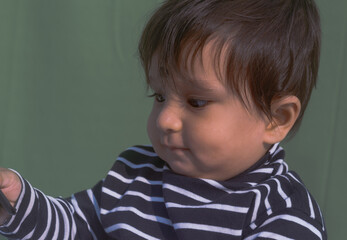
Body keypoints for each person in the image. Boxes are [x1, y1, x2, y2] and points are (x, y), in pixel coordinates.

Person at [0, 0, 327, 239]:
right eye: (159, 96)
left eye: (197, 101)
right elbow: (74, 226)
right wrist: (20, 204)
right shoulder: (135, 176)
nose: (166, 119)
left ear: (275, 119)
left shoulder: (283, 214)